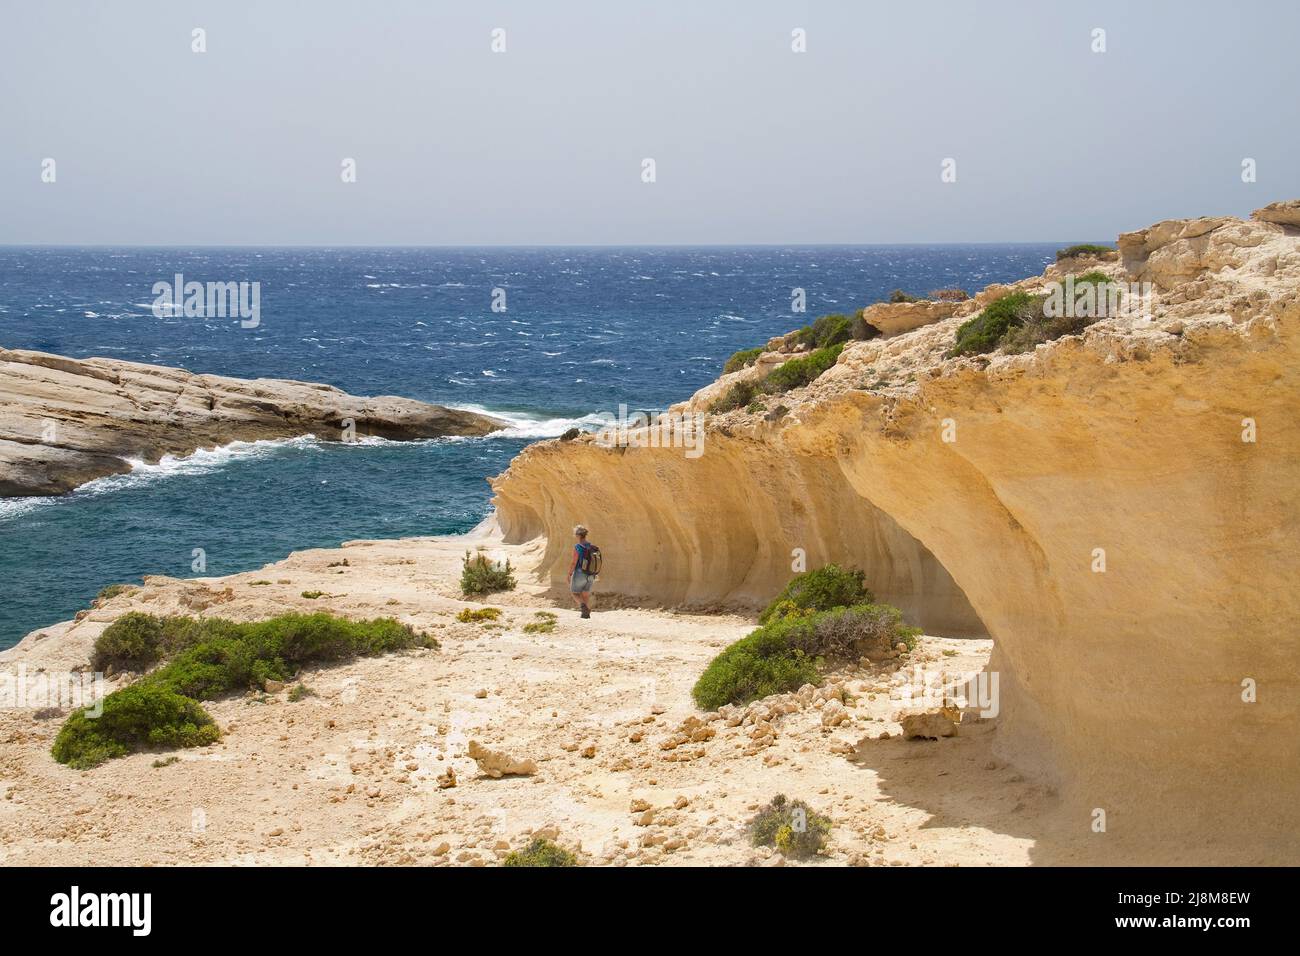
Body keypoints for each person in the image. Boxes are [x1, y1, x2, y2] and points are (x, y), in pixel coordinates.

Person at [567, 524, 596, 618]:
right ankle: (586, 614)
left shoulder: (578, 547)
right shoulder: (591, 547)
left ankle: (583, 607)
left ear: (578, 535)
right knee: (585, 593)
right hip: (591, 574)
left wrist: (569, 573)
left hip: (580, 572)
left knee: (574, 592)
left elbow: (574, 562)